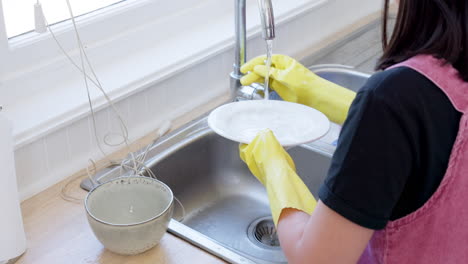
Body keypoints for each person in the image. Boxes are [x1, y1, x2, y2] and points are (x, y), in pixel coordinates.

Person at [239, 0, 468, 263]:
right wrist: (317, 92)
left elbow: (318, 259)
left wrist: (273, 168)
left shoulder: (393, 100)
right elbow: (432, 129)